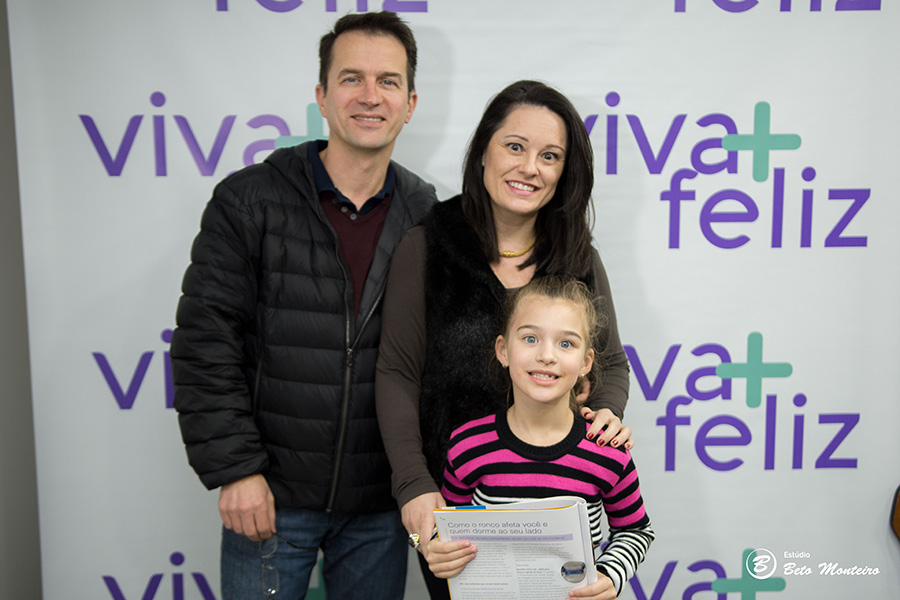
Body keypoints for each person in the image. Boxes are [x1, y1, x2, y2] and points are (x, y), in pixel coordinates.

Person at [171, 11, 436, 600]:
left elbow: (433, 359)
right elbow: (204, 342)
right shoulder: (249, 201)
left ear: (411, 102)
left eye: (388, 81)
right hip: (269, 499)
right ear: (321, 94)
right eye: (351, 78)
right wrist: (237, 470)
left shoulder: (427, 213)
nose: (370, 96)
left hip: (377, 506)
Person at [375, 80, 633, 598]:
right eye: (515, 146)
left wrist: (606, 411)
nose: (529, 167)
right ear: (483, 152)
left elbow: (611, 363)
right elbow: (397, 373)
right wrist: (414, 486)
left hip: (561, 506)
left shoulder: (577, 254)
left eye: (550, 156)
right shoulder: (427, 245)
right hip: (458, 506)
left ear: (564, 173)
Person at [426, 276, 654, 600]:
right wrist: (436, 547)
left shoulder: (607, 450)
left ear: (586, 362)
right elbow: (449, 525)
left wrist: (609, 576)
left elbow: (634, 530)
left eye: (566, 343)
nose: (547, 355)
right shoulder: (468, 445)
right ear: (503, 350)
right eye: (530, 338)